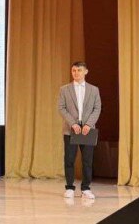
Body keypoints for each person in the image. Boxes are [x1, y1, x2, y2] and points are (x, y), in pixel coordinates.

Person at [57, 61, 101, 200]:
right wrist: (73, 123)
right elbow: (61, 108)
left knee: (87, 161)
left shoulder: (94, 90)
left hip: (88, 130)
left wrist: (88, 124)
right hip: (71, 130)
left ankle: (86, 188)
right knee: (69, 159)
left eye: (79, 70)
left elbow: (97, 108)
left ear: (85, 71)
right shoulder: (64, 89)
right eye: (74, 70)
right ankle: (69, 188)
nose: (76, 73)